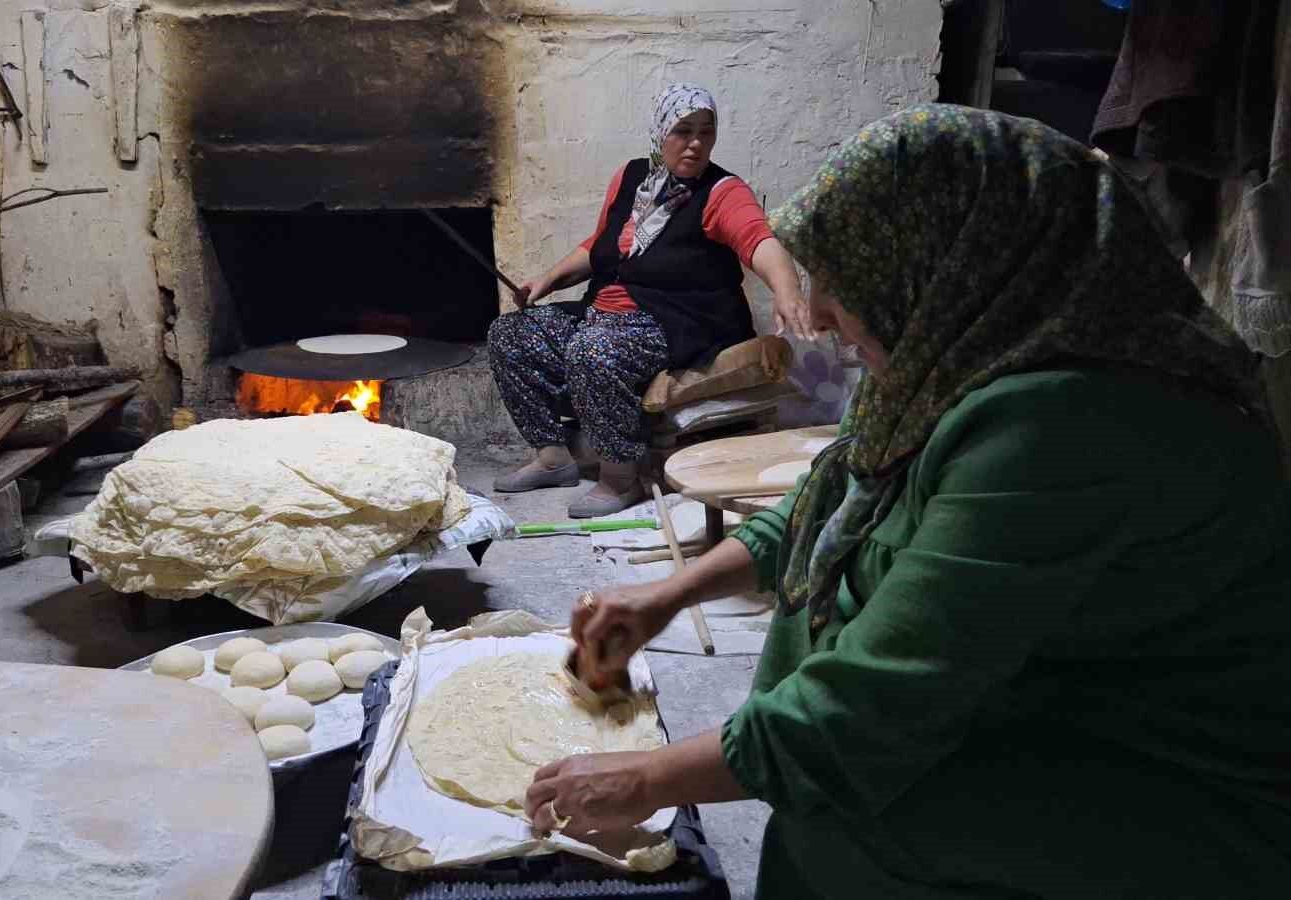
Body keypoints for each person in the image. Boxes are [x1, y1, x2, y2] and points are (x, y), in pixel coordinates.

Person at [527, 105, 1291, 897]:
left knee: (847, 820)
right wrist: (667, 594)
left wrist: (644, 780)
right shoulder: (953, 357)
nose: (819, 312)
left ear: (950, 262)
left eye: (847, 278)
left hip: (1147, 780)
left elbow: (867, 710)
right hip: (1011, 707)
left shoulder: (1069, 423)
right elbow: (834, 499)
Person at [488, 83, 809, 518]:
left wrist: (787, 292)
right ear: (660, 132)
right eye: (682, 131)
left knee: (593, 351)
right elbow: (600, 246)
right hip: (603, 311)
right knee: (510, 333)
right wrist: (547, 279)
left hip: (679, 319)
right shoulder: (632, 178)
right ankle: (553, 457)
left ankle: (619, 479)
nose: (695, 144)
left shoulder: (721, 192)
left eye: (705, 132)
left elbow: (760, 242)